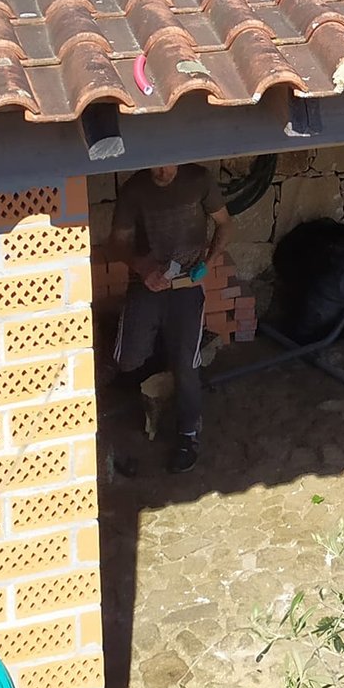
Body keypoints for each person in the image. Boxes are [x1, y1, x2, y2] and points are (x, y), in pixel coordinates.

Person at [109, 163, 232, 473]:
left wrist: (208, 262)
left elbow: (225, 224)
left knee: (187, 364)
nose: (162, 171)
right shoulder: (135, 188)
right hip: (147, 283)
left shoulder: (199, 179)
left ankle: (188, 435)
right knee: (128, 358)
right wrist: (143, 269)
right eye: (155, 166)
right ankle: (149, 400)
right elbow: (118, 242)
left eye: (167, 164)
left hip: (187, 285)